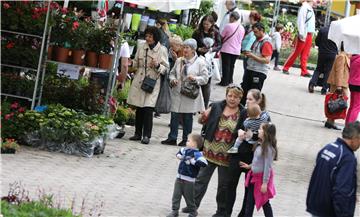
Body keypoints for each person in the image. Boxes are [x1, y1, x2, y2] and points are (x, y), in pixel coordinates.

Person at [181, 85, 245, 217]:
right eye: (230, 96)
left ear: (240, 98)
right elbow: (201, 121)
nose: (232, 99)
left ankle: (221, 211)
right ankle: (192, 205)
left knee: (223, 186)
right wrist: (203, 116)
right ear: (226, 95)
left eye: (235, 97)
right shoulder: (216, 106)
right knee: (200, 180)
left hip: (227, 156)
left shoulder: (243, 113)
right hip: (209, 151)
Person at [225, 89, 270, 217]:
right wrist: (239, 131)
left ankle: (244, 213)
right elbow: (237, 129)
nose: (247, 102)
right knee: (230, 184)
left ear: (259, 101)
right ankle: (226, 212)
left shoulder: (265, 116)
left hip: (252, 157)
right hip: (238, 154)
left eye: (250, 99)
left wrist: (252, 135)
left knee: (249, 189)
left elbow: (266, 136)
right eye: (247, 99)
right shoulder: (245, 112)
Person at [306, 121, 360, 217]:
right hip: (329, 210)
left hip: (316, 205)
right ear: (355, 138)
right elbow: (342, 190)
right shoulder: (347, 158)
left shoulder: (328, 148)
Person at [161, 39, 209, 147]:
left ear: (193, 50)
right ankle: (172, 137)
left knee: (187, 117)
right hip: (178, 91)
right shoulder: (179, 60)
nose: (185, 50)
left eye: (187, 48)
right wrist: (173, 79)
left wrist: (195, 78)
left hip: (190, 93)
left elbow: (205, 78)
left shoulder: (200, 62)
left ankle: (186, 139)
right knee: (174, 115)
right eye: (184, 47)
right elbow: (172, 73)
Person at [127, 27, 169, 144]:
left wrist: (157, 66)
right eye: (146, 36)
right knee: (139, 107)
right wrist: (130, 63)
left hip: (152, 82)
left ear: (155, 37)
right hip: (140, 80)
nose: (147, 38)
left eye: (150, 36)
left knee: (148, 108)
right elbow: (136, 62)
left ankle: (147, 136)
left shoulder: (162, 50)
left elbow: (166, 69)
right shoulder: (141, 46)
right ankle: (137, 133)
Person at [239, 123, 277, 217]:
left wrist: (265, 183)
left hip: (261, 180)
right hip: (253, 177)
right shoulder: (259, 144)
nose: (258, 131)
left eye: (261, 129)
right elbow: (257, 161)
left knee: (265, 202)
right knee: (249, 202)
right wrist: (249, 166)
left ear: (266, 133)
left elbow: (267, 167)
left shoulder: (268, 149)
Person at [166, 133, 208, 217]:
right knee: (176, 195)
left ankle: (193, 210)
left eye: (188, 141)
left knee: (189, 197)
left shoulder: (197, 154)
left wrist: (194, 162)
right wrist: (179, 156)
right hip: (179, 177)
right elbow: (179, 153)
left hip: (189, 180)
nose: (187, 142)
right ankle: (175, 210)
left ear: (195, 144)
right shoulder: (184, 150)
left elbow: (204, 163)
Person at [192, 15, 222, 108]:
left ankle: (204, 106)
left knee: (207, 83)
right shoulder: (197, 32)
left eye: (208, 24)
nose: (206, 26)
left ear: (212, 24)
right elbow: (192, 43)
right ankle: (195, 105)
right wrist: (199, 49)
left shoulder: (215, 33)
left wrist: (212, 49)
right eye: (204, 24)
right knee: (196, 81)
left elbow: (220, 45)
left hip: (209, 60)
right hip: (198, 58)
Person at [241, 22, 273, 106]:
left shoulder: (266, 42)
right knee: (244, 91)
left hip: (259, 72)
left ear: (261, 30)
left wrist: (252, 55)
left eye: (256, 32)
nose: (254, 34)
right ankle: (242, 112)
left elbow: (267, 60)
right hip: (250, 69)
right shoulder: (256, 39)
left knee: (254, 95)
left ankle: (253, 112)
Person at [282, 0, 315, 77]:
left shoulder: (309, 8)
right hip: (304, 33)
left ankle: (304, 71)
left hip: (309, 33)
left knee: (305, 54)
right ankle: (286, 67)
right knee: (297, 52)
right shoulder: (304, 8)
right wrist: (301, 33)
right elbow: (300, 21)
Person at [324, 44, 351, 130]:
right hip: (339, 84)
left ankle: (330, 121)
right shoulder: (342, 57)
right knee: (336, 103)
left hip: (341, 83)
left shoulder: (344, 56)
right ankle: (330, 121)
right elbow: (338, 71)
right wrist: (339, 86)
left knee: (335, 103)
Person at [308, 25, 338, 95]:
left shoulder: (322, 29)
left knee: (318, 69)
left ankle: (312, 84)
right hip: (332, 54)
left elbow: (317, 41)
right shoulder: (337, 32)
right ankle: (324, 89)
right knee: (328, 71)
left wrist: (321, 46)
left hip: (322, 53)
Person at [219, 11, 245, 86]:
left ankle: (224, 81)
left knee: (225, 66)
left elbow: (222, 36)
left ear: (233, 17)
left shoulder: (228, 26)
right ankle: (230, 80)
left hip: (227, 49)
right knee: (231, 66)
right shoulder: (242, 28)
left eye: (230, 17)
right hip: (236, 50)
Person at [346, 55, 360, 124]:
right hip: (358, 84)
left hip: (352, 83)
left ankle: (347, 125)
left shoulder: (354, 58)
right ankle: (350, 127)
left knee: (352, 106)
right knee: (356, 107)